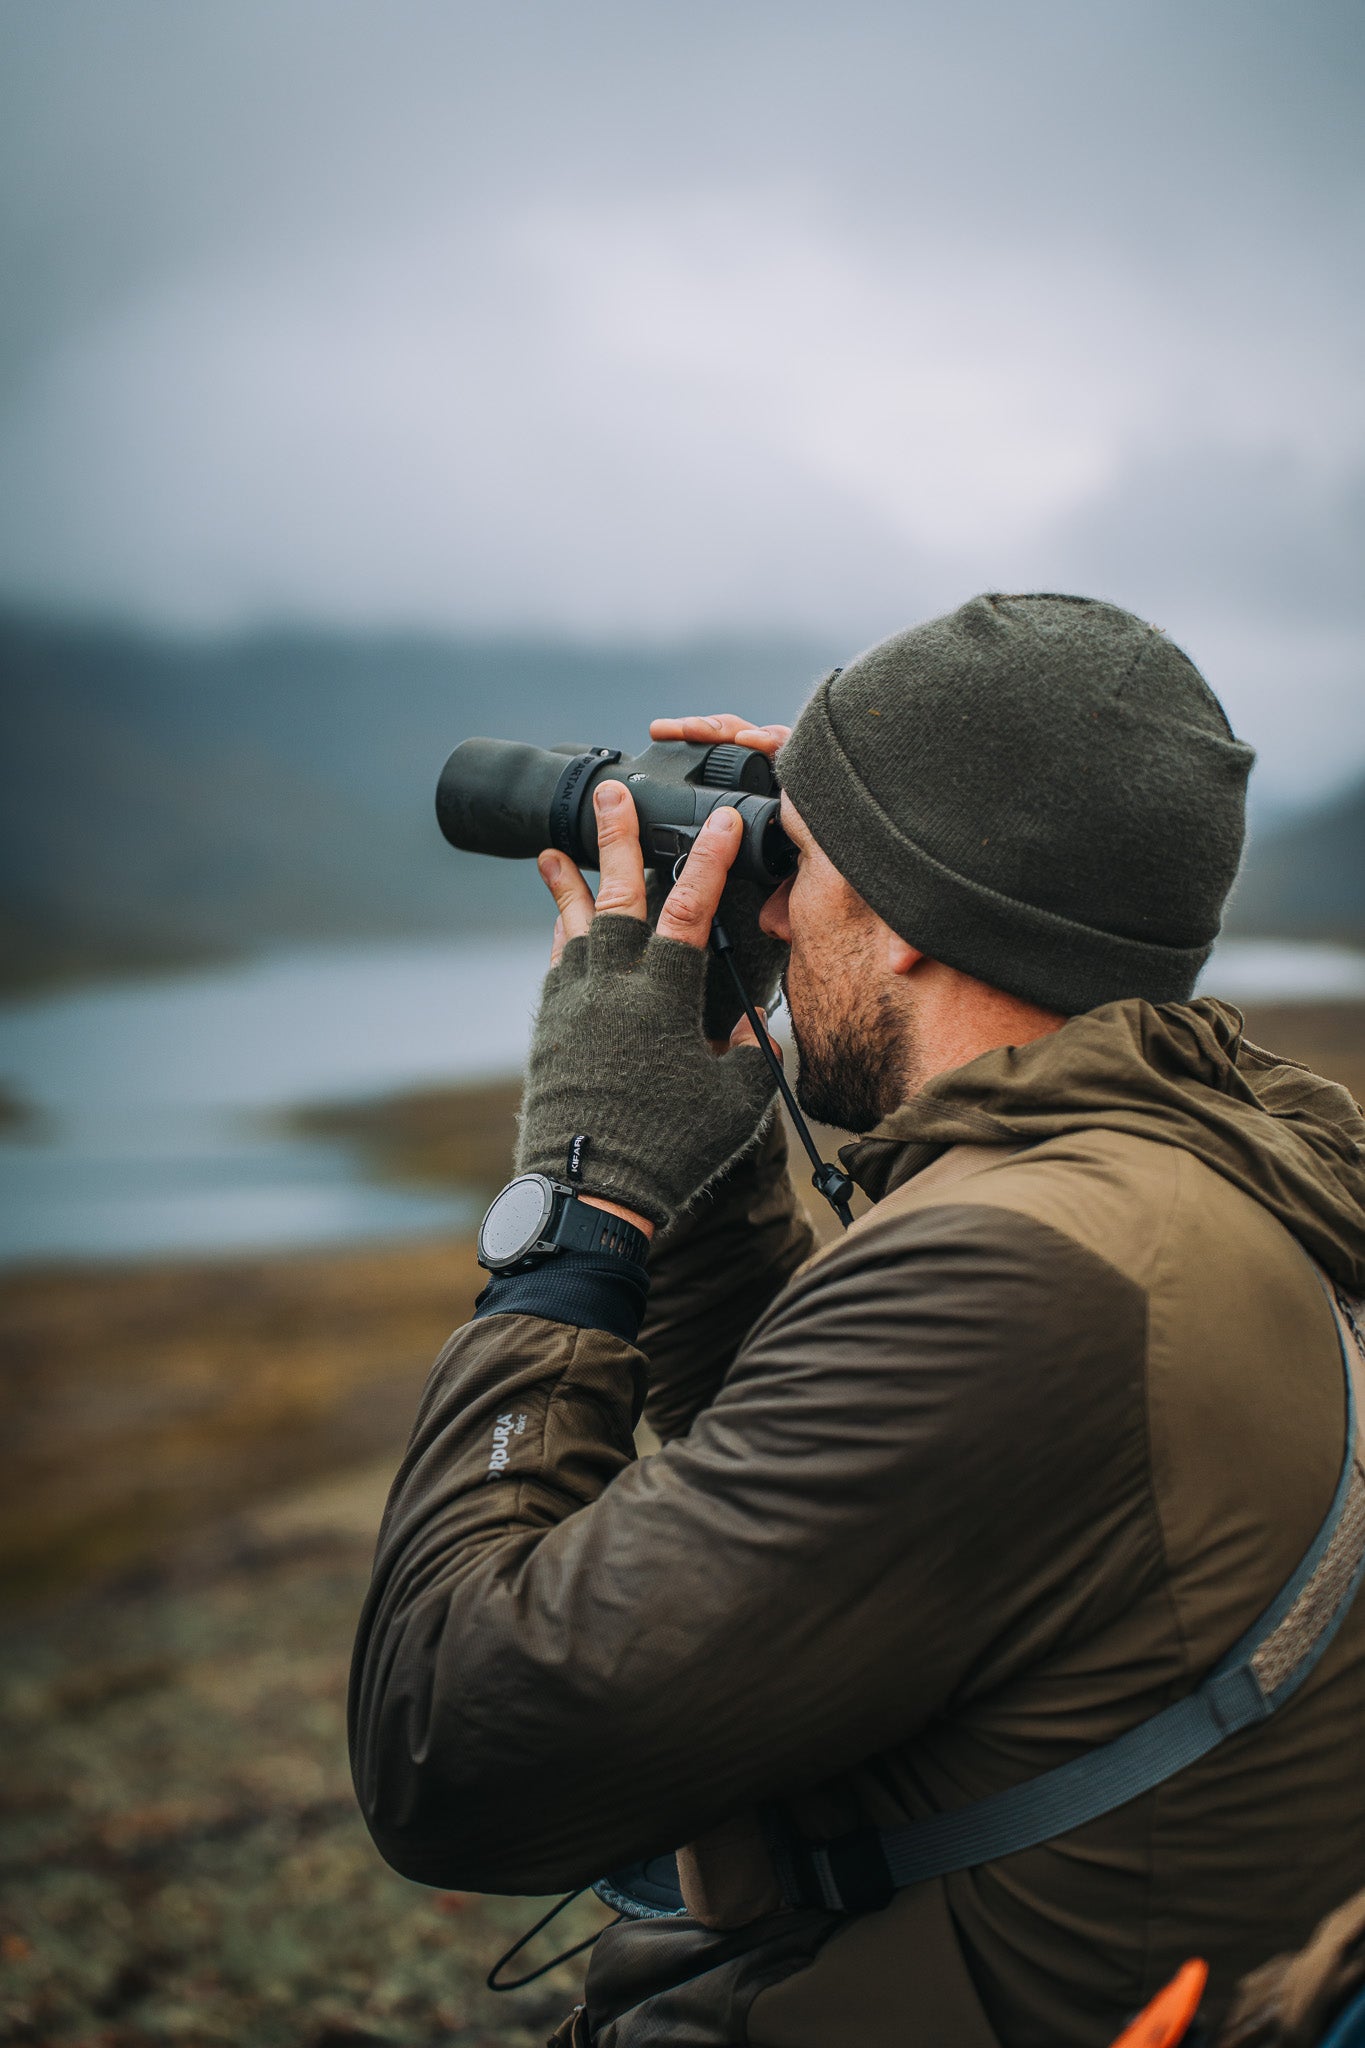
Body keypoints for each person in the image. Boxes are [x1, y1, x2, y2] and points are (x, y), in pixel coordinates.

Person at [348, 594, 1365, 2048]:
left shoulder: (1026, 1284)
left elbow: (449, 1755)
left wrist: (580, 1203)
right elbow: (800, 1493)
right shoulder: (1195, 1170)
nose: (766, 902)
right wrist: (692, 1163)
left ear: (902, 924)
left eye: (798, 863)